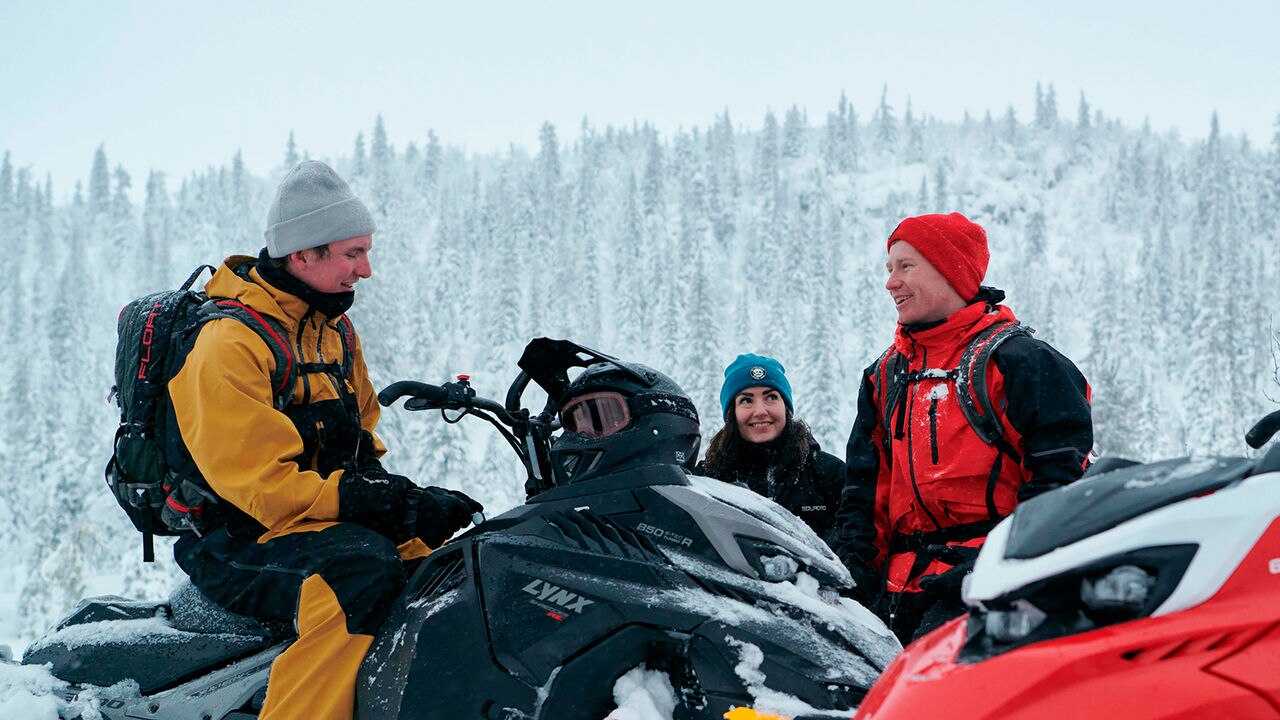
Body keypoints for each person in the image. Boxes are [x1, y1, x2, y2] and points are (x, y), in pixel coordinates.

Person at [167, 160, 483, 720]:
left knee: (444, 567)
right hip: (236, 537)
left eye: (366, 251)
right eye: (352, 254)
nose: (366, 270)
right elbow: (261, 488)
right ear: (302, 254)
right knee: (354, 579)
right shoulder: (230, 344)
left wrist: (406, 505)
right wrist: (374, 504)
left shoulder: (332, 331)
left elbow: (363, 445)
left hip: (314, 523)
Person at [834, 212, 1092, 644]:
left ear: (949, 270)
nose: (890, 283)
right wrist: (852, 579)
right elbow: (865, 493)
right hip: (896, 601)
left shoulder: (1021, 362)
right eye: (888, 269)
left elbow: (1059, 488)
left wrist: (994, 570)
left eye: (906, 266)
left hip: (995, 597)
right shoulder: (884, 374)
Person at [696, 354, 845, 548]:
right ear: (732, 412)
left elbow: (855, 543)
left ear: (786, 407)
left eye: (771, 397)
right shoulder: (707, 480)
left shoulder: (829, 474)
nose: (760, 411)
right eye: (746, 400)